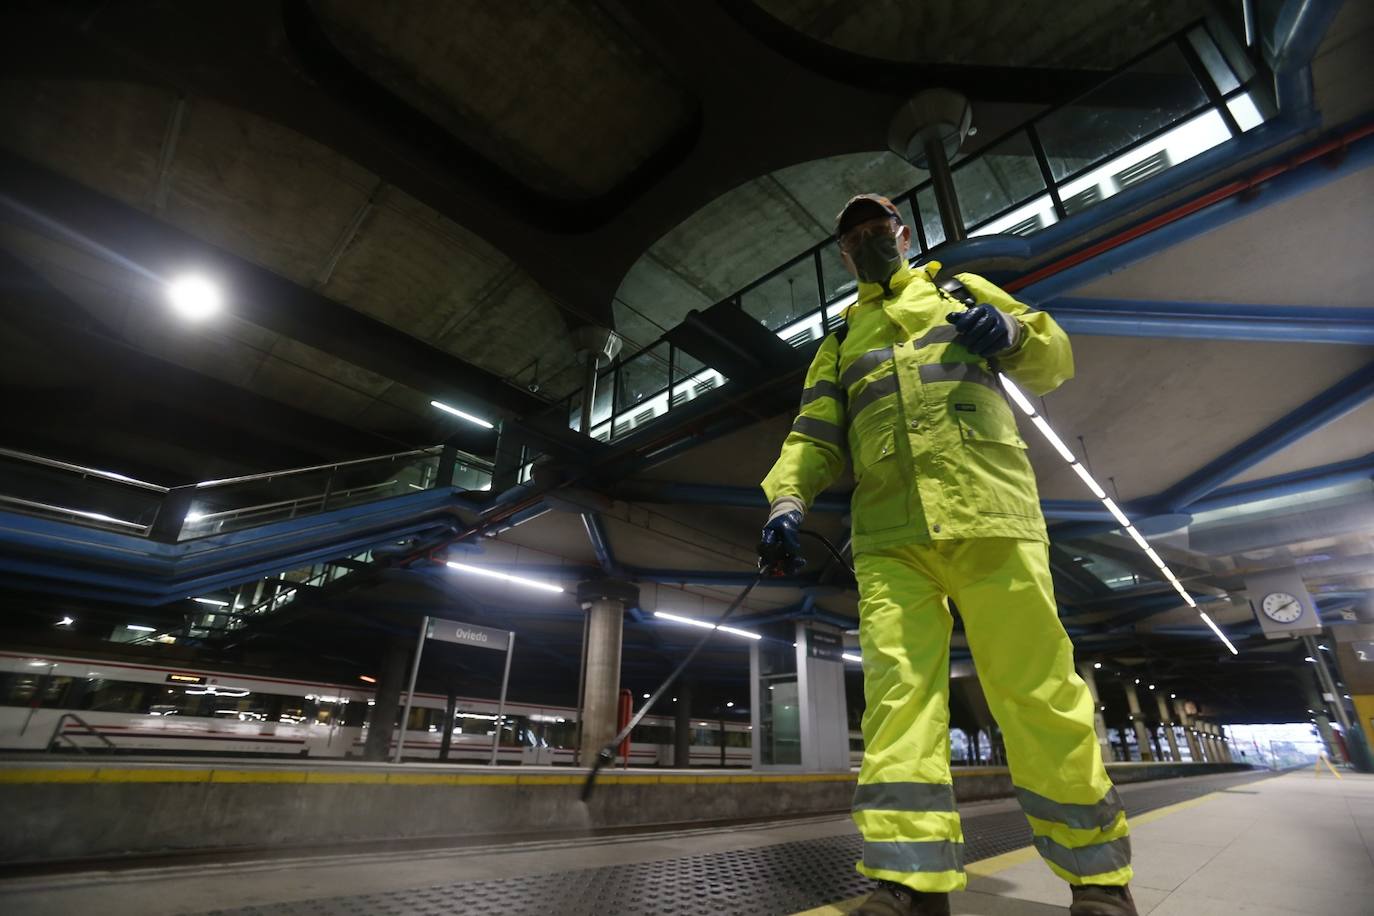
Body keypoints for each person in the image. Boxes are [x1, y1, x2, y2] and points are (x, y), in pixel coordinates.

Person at [757, 195, 1136, 916]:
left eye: (879, 230)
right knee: (899, 702)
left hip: (990, 514)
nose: (870, 242)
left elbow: (1053, 358)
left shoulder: (959, 292)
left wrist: (1012, 333)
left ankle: (1100, 884)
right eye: (856, 238)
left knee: (1038, 692)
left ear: (905, 234)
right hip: (891, 539)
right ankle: (910, 881)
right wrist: (785, 503)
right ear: (844, 258)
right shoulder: (839, 342)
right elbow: (813, 437)